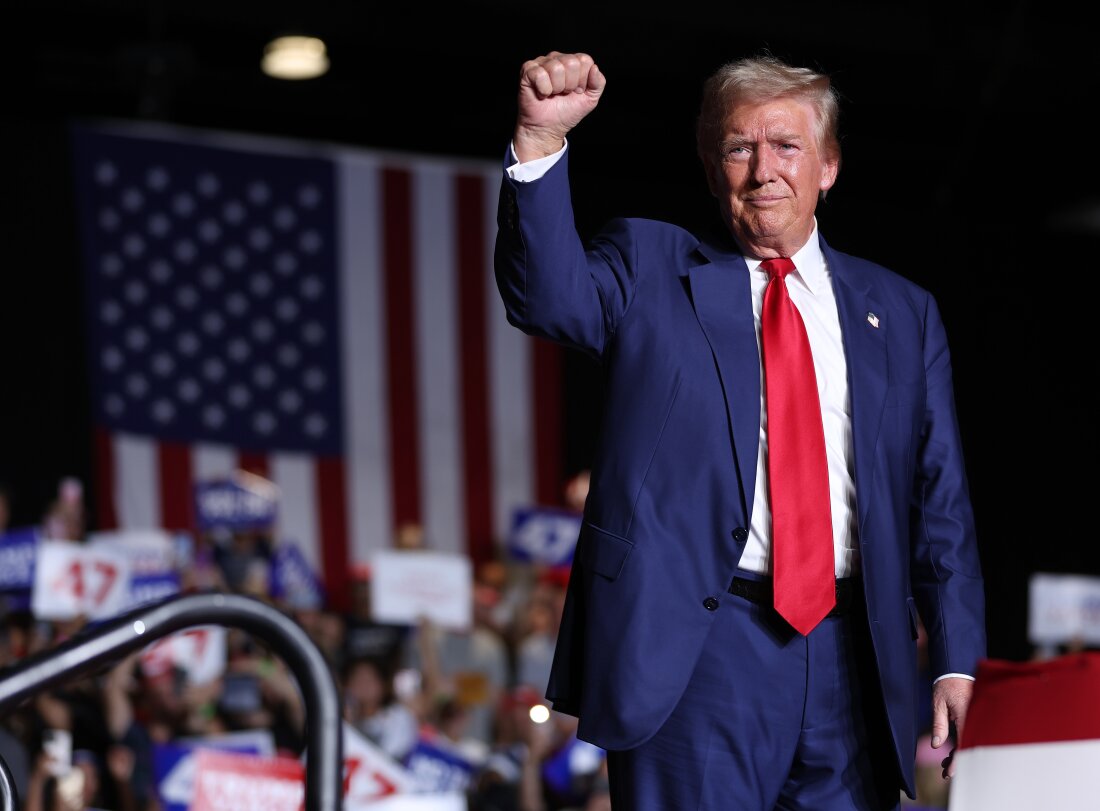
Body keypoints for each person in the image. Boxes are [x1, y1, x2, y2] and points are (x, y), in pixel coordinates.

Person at [493, 50, 986, 810]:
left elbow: (939, 498)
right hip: (696, 652)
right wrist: (539, 142)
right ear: (711, 164)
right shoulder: (649, 266)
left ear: (828, 165)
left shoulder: (903, 312)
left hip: (854, 657)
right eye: (738, 147)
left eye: (786, 146)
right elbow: (547, 298)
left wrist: (955, 657)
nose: (764, 170)